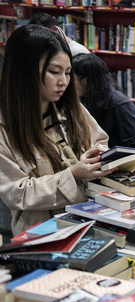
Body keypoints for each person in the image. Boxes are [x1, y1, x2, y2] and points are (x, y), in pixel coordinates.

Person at [0, 25, 112, 235]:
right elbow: (17, 193)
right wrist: (73, 174)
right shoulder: (5, 126)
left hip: (89, 218)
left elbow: (99, 141)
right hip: (40, 234)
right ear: (25, 70)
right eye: (54, 72)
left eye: (68, 73)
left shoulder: (71, 107)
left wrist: (98, 156)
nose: (64, 82)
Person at [72, 54, 135, 176]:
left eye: (72, 78)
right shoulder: (86, 100)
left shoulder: (119, 104)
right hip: (109, 168)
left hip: (129, 170)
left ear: (86, 81)